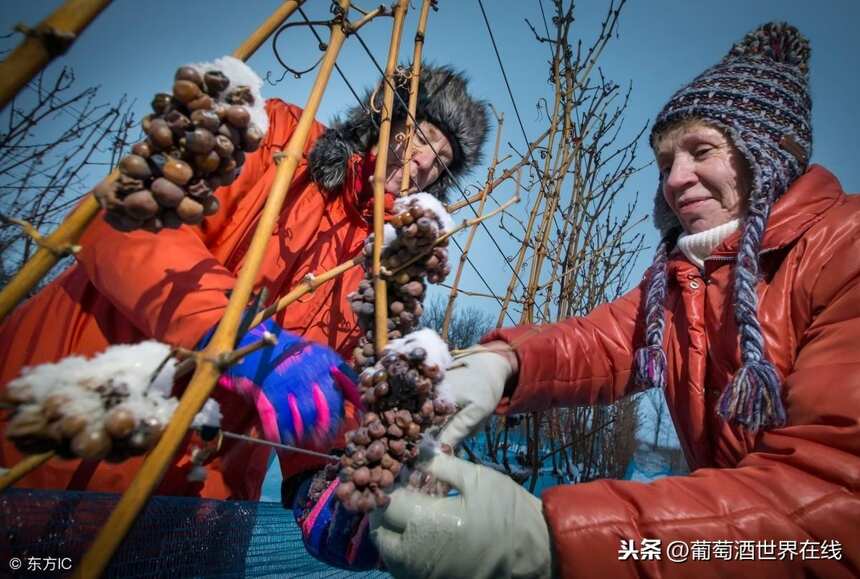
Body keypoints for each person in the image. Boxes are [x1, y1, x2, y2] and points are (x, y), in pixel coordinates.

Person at [370, 23, 860, 578]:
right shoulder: (682, 282)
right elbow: (596, 342)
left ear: (769, 154)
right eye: (665, 162)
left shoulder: (847, 250)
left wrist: (559, 542)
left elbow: (833, 518)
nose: (676, 180)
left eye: (701, 150)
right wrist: (498, 364)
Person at [0, 64, 489, 502]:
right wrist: (231, 332)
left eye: (442, 162)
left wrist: (317, 479)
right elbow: (132, 221)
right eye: (423, 137)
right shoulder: (283, 140)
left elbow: (327, 386)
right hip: (59, 434)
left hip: (202, 493)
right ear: (387, 119)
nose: (424, 162)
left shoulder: (379, 263)